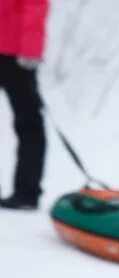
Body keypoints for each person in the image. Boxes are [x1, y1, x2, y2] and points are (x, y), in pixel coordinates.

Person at [0, 0, 48, 211]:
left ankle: (27, 192)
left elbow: (35, 6)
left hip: (15, 55)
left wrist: (30, 50)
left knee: (28, 123)